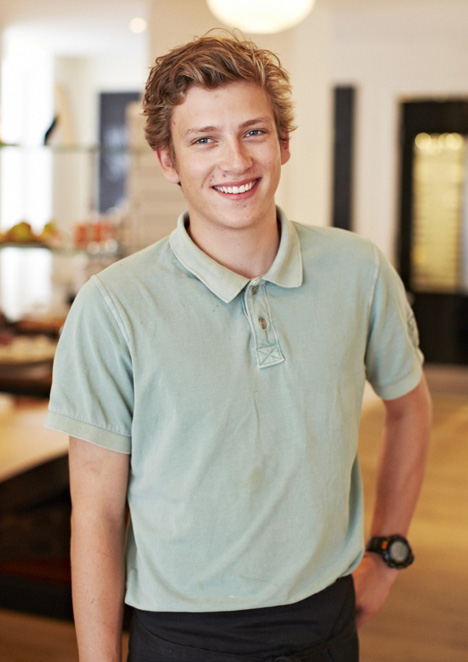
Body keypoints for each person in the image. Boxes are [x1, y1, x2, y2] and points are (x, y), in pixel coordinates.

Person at [46, 31, 432, 662]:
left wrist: (387, 554)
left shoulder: (358, 270)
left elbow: (410, 407)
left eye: (254, 132)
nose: (235, 161)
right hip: (182, 635)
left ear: (283, 143)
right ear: (168, 160)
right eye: (203, 139)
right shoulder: (113, 305)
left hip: (326, 621)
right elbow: (96, 515)